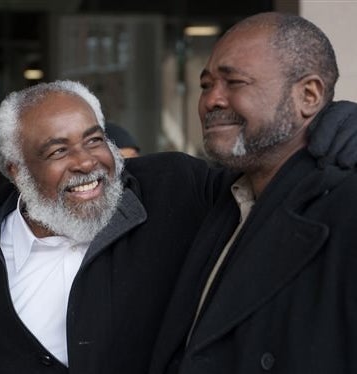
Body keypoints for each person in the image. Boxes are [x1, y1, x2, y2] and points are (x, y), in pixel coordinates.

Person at [0, 77, 357, 374]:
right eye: (58, 150)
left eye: (94, 140)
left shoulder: (173, 188)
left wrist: (328, 126)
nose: (86, 162)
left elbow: (265, 176)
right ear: (17, 171)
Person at [149, 12, 357, 374]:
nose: (211, 100)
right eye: (205, 84)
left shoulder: (346, 208)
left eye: (235, 82)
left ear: (308, 95)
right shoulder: (221, 198)